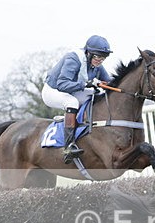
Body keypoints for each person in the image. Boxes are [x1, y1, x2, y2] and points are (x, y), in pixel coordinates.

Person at [42, 35, 114, 163]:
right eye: (97, 56)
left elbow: (109, 82)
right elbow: (62, 84)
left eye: (103, 57)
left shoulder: (96, 64)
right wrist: (85, 84)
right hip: (53, 91)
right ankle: (69, 146)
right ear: (88, 53)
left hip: (72, 90)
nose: (100, 60)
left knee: (95, 94)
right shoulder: (74, 59)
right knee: (72, 102)